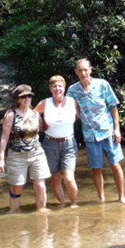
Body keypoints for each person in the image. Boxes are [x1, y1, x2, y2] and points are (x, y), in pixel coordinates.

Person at [67, 58, 125, 204]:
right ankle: (101, 198)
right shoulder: (72, 90)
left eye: (85, 69)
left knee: (115, 164)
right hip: (90, 135)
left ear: (90, 69)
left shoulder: (102, 85)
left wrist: (117, 129)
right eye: (80, 70)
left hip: (108, 131)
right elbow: (70, 108)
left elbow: (113, 106)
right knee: (96, 168)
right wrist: (80, 115)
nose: (83, 73)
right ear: (76, 72)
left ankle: (121, 197)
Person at [0, 84, 51, 213]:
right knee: (17, 188)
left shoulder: (36, 115)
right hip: (17, 156)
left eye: (29, 96)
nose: (27, 99)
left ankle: (41, 211)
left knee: (40, 186)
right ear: (18, 99)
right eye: (24, 97)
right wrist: (1, 159)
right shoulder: (11, 116)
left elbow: (44, 129)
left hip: (37, 154)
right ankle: (14, 212)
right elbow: (4, 138)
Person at [34, 75, 80, 208]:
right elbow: (33, 114)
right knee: (55, 178)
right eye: (54, 86)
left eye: (60, 86)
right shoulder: (45, 103)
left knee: (69, 179)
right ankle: (62, 204)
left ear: (64, 88)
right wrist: (41, 124)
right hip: (49, 144)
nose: (57, 89)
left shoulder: (72, 102)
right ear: (50, 89)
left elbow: (84, 117)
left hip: (69, 144)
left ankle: (74, 204)